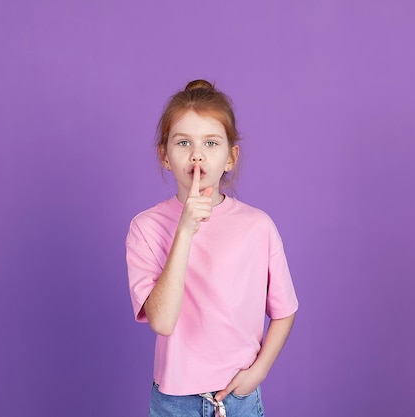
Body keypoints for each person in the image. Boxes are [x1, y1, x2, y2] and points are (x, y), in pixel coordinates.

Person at [126, 79, 298, 417]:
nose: (197, 154)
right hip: (174, 402)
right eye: (183, 142)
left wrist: (258, 372)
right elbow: (161, 321)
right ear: (164, 155)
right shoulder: (145, 227)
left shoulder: (257, 226)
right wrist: (185, 230)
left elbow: (284, 309)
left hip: (239, 400)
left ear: (231, 157)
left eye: (211, 142)